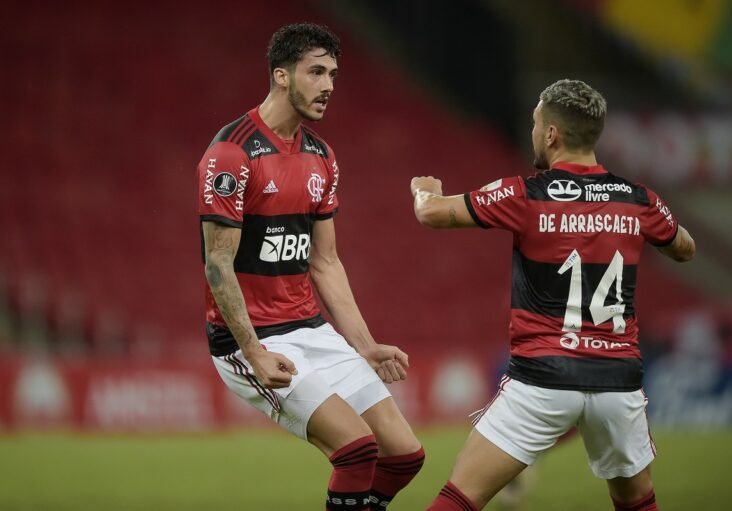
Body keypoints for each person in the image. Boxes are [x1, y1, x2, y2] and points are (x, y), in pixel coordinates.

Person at [411, 79, 695, 511]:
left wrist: (424, 190)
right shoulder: (639, 200)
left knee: (460, 497)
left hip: (544, 377)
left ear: (551, 134)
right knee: (638, 502)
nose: (532, 132)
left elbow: (432, 214)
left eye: (534, 123)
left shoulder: (526, 193)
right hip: (617, 383)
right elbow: (684, 248)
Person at [197, 23, 424, 511]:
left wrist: (365, 345)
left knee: (404, 455)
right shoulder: (231, 153)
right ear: (281, 75)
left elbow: (326, 261)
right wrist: (252, 351)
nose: (328, 86)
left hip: (311, 328)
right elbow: (217, 264)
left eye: (334, 74)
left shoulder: (322, 157)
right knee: (356, 450)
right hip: (251, 338)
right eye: (316, 72)